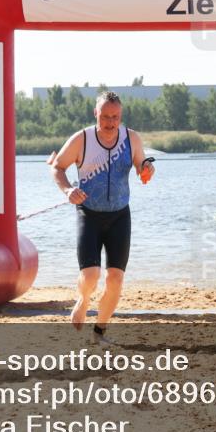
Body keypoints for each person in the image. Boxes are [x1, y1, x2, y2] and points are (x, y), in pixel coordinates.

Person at [50, 91, 155, 341]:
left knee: (115, 279)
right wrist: (67, 189)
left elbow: (143, 166)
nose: (110, 122)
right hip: (89, 214)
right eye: (105, 117)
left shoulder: (131, 139)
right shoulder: (82, 140)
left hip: (120, 215)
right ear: (95, 113)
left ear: (121, 116)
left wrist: (147, 170)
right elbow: (58, 167)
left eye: (115, 117)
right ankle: (84, 300)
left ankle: (100, 331)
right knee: (91, 275)